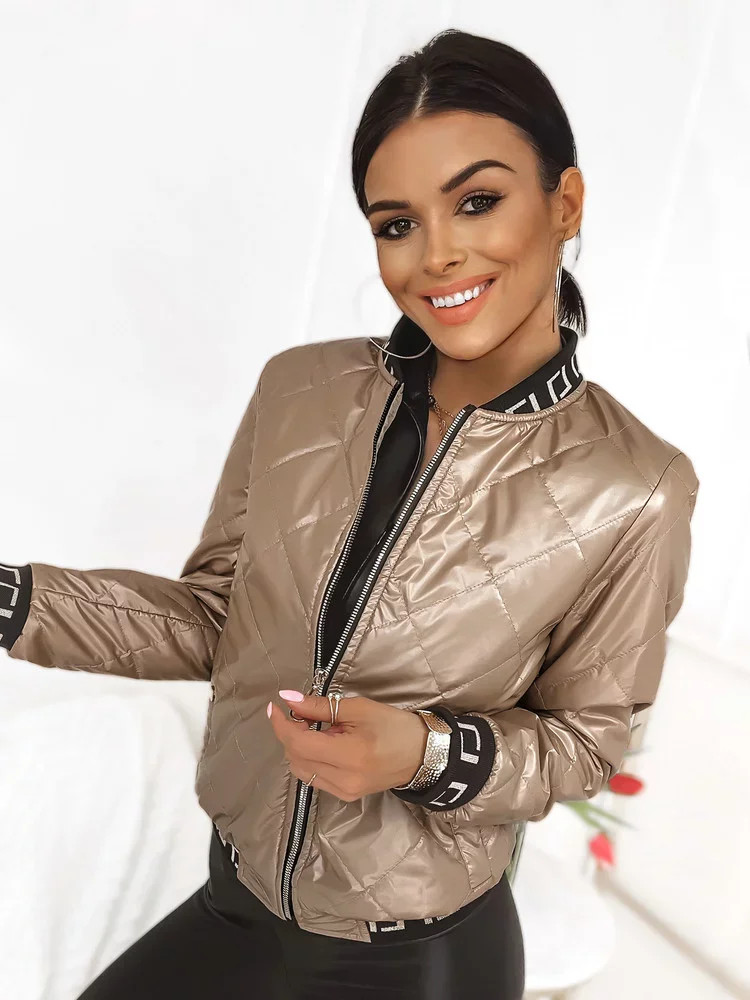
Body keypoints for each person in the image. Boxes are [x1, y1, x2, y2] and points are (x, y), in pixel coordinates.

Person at [0, 28, 698, 1000]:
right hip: (237, 902)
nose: (438, 253)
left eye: (478, 202)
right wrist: (12, 599)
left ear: (564, 202)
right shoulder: (299, 390)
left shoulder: (636, 485)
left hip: (418, 960)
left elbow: (583, 742)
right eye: (396, 222)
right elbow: (215, 619)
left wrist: (425, 754)